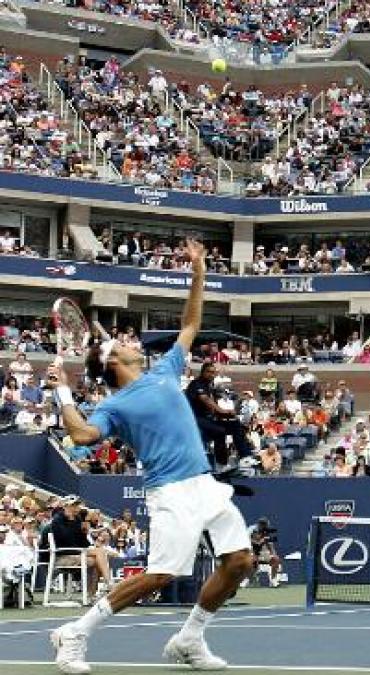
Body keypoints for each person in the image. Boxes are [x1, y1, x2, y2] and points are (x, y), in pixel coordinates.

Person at [48, 239, 254, 674]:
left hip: (204, 484)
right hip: (171, 493)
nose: (129, 342)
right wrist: (62, 391)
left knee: (240, 561)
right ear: (113, 361)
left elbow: (191, 323)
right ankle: (75, 632)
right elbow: (82, 434)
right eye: (120, 342)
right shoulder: (113, 406)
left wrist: (198, 271)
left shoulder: (165, 369)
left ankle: (189, 638)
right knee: (160, 575)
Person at [185, 361, 254, 470]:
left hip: (209, 418)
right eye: (209, 372)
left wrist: (228, 415)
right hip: (195, 419)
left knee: (235, 424)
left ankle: (245, 457)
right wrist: (223, 411)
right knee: (219, 431)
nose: (212, 375)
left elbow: (213, 406)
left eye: (214, 373)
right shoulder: (196, 384)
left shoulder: (210, 386)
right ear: (203, 372)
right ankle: (221, 464)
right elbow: (206, 400)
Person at [249, 518, 282, 588]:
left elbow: (270, 546)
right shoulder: (252, 531)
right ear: (261, 525)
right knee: (253, 560)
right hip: (253, 553)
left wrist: (274, 555)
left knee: (276, 559)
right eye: (265, 525)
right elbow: (254, 544)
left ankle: (273, 580)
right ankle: (252, 580)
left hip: (264, 554)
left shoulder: (266, 532)